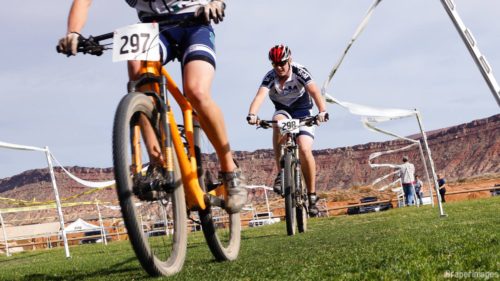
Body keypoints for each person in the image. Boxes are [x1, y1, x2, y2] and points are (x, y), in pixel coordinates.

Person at [57, 0, 247, 214]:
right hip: (152, 29)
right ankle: (157, 163)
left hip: (195, 21)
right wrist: (73, 32)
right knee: (136, 65)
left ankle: (230, 171)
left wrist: (215, 2)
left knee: (196, 92)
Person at [246, 44, 329, 216]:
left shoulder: (300, 71)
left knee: (304, 148)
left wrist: (322, 111)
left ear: (289, 60)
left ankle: (312, 196)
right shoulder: (270, 77)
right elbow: (259, 96)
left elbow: (314, 91)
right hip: (283, 111)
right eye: (275, 64)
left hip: (303, 112)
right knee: (277, 122)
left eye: (282, 63)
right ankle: (281, 172)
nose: (279, 67)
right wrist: (252, 114)